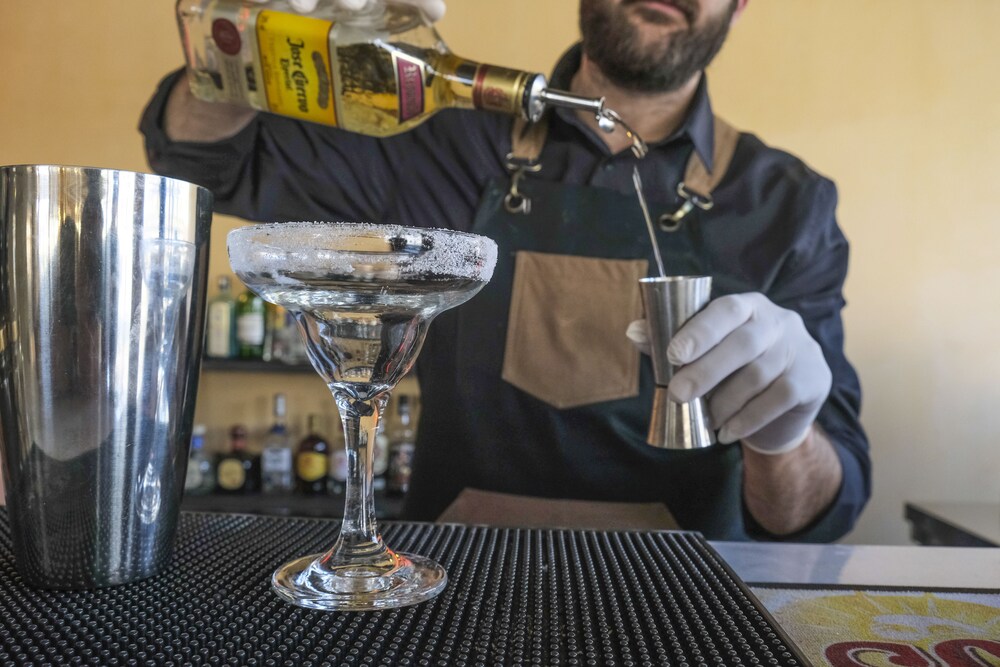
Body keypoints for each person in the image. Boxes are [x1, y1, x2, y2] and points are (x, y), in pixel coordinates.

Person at [141, 0, 870, 541]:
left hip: (688, 601)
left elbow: (810, 514)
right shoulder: (437, 137)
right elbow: (205, 161)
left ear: (740, 6)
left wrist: (784, 435)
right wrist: (240, 45)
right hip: (450, 578)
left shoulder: (788, 204)